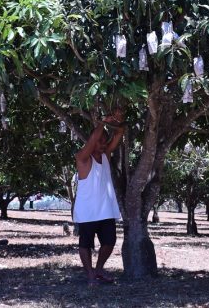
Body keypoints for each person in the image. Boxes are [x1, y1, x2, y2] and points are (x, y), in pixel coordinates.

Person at [73, 108, 125, 287]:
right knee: (85, 244)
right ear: (92, 142)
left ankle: (98, 269)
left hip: (105, 210)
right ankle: (90, 275)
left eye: (105, 142)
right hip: (88, 212)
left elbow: (119, 134)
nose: (104, 144)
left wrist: (115, 121)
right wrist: (103, 122)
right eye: (100, 142)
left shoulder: (105, 155)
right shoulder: (82, 159)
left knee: (109, 242)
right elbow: (95, 138)